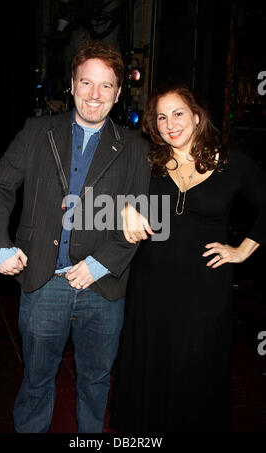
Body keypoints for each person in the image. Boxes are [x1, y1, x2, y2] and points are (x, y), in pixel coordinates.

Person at [0, 40, 150, 433]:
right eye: (86, 83)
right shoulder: (37, 132)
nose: (94, 94)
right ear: (72, 86)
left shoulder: (136, 149)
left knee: (95, 383)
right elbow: (0, 187)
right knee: (36, 383)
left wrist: (99, 264)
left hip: (103, 289)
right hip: (43, 283)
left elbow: (140, 219)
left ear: (119, 93)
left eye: (106, 86)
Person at [109, 82, 266, 433]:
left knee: (196, 368)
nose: (170, 124)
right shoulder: (146, 160)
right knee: (151, 367)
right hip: (150, 288)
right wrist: (124, 208)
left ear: (196, 117)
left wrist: (244, 249)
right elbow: (102, 192)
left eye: (178, 113)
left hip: (205, 291)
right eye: (161, 117)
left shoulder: (231, 161)